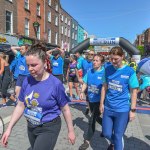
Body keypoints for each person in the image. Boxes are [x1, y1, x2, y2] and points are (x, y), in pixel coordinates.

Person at [1, 43, 76, 150]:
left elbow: (65, 109)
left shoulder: (55, 84)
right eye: (28, 65)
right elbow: (20, 105)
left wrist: (71, 130)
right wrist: (9, 129)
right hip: (31, 126)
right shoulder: (27, 80)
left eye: (34, 65)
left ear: (45, 62)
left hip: (49, 127)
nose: (30, 69)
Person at [100, 46, 139, 150]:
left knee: (118, 136)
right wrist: (101, 104)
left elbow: (134, 91)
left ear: (122, 56)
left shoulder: (129, 71)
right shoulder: (107, 69)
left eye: (116, 59)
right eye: (111, 59)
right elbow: (104, 87)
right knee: (106, 133)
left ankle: (117, 144)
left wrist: (133, 110)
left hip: (122, 110)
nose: (113, 61)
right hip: (108, 108)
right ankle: (114, 143)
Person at [79, 54, 105, 150]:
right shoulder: (90, 72)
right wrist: (82, 92)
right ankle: (107, 128)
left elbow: (106, 87)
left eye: (97, 60)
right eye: (94, 60)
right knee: (96, 117)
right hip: (91, 99)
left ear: (101, 63)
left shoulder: (104, 73)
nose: (94, 62)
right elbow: (85, 82)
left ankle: (87, 141)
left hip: (100, 100)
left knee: (92, 120)